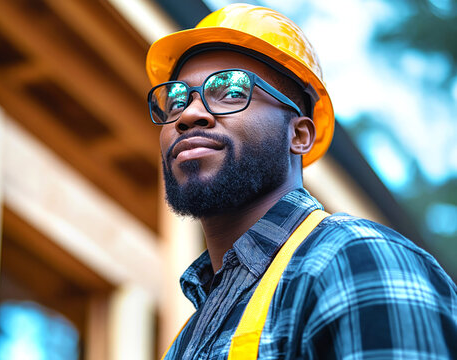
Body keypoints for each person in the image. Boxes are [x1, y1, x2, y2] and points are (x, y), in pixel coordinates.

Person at [145, 3, 457, 359]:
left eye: (231, 90)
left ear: (299, 135)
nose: (189, 114)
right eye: (175, 101)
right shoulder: (185, 342)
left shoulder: (355, 259)